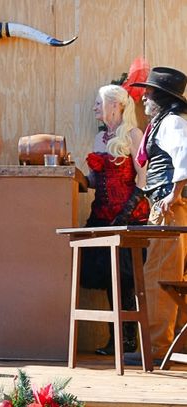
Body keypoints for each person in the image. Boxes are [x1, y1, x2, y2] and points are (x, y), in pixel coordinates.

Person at [81, 84, 149, 356]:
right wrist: (78, 178)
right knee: (109, 277)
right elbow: (97, 181)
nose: (95, 107)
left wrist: (126, 212)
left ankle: (129, 340)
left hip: (129, 216)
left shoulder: (133, 135)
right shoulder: (100, 140)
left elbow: (143, 179)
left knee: (125, 277)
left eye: (99, 102)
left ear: (115, 105)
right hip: (102, 216)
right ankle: (117, 339)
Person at [125, 66, 187, 362]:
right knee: (166, 274)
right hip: (164, 206)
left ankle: (156, 348)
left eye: (148, 95)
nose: (144, 100)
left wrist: (173, 195)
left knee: (160, 275)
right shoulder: (163, 123)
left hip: (169, 208)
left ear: (161, 98)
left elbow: (185, 155)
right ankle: (167, 347)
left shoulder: (172, 122)